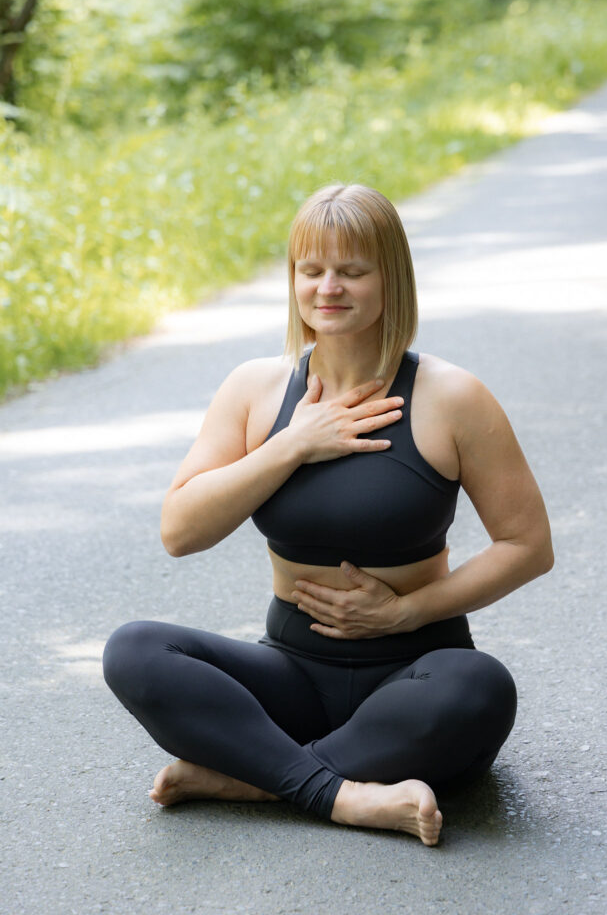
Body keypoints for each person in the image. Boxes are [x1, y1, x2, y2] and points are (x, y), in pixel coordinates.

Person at [103, 183, 553, 846]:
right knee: (135, 650)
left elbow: (527, 544)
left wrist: (407, 613)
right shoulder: (256, 389)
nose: (327, 288)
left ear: (388, 279)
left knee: (481, 687)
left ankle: (250, 778)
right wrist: (293, 444)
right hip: (291, 672)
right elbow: (180, 531)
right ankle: (343, 794)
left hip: (415, 672)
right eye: (310, 270)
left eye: (351, 270)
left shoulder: (453, 398)